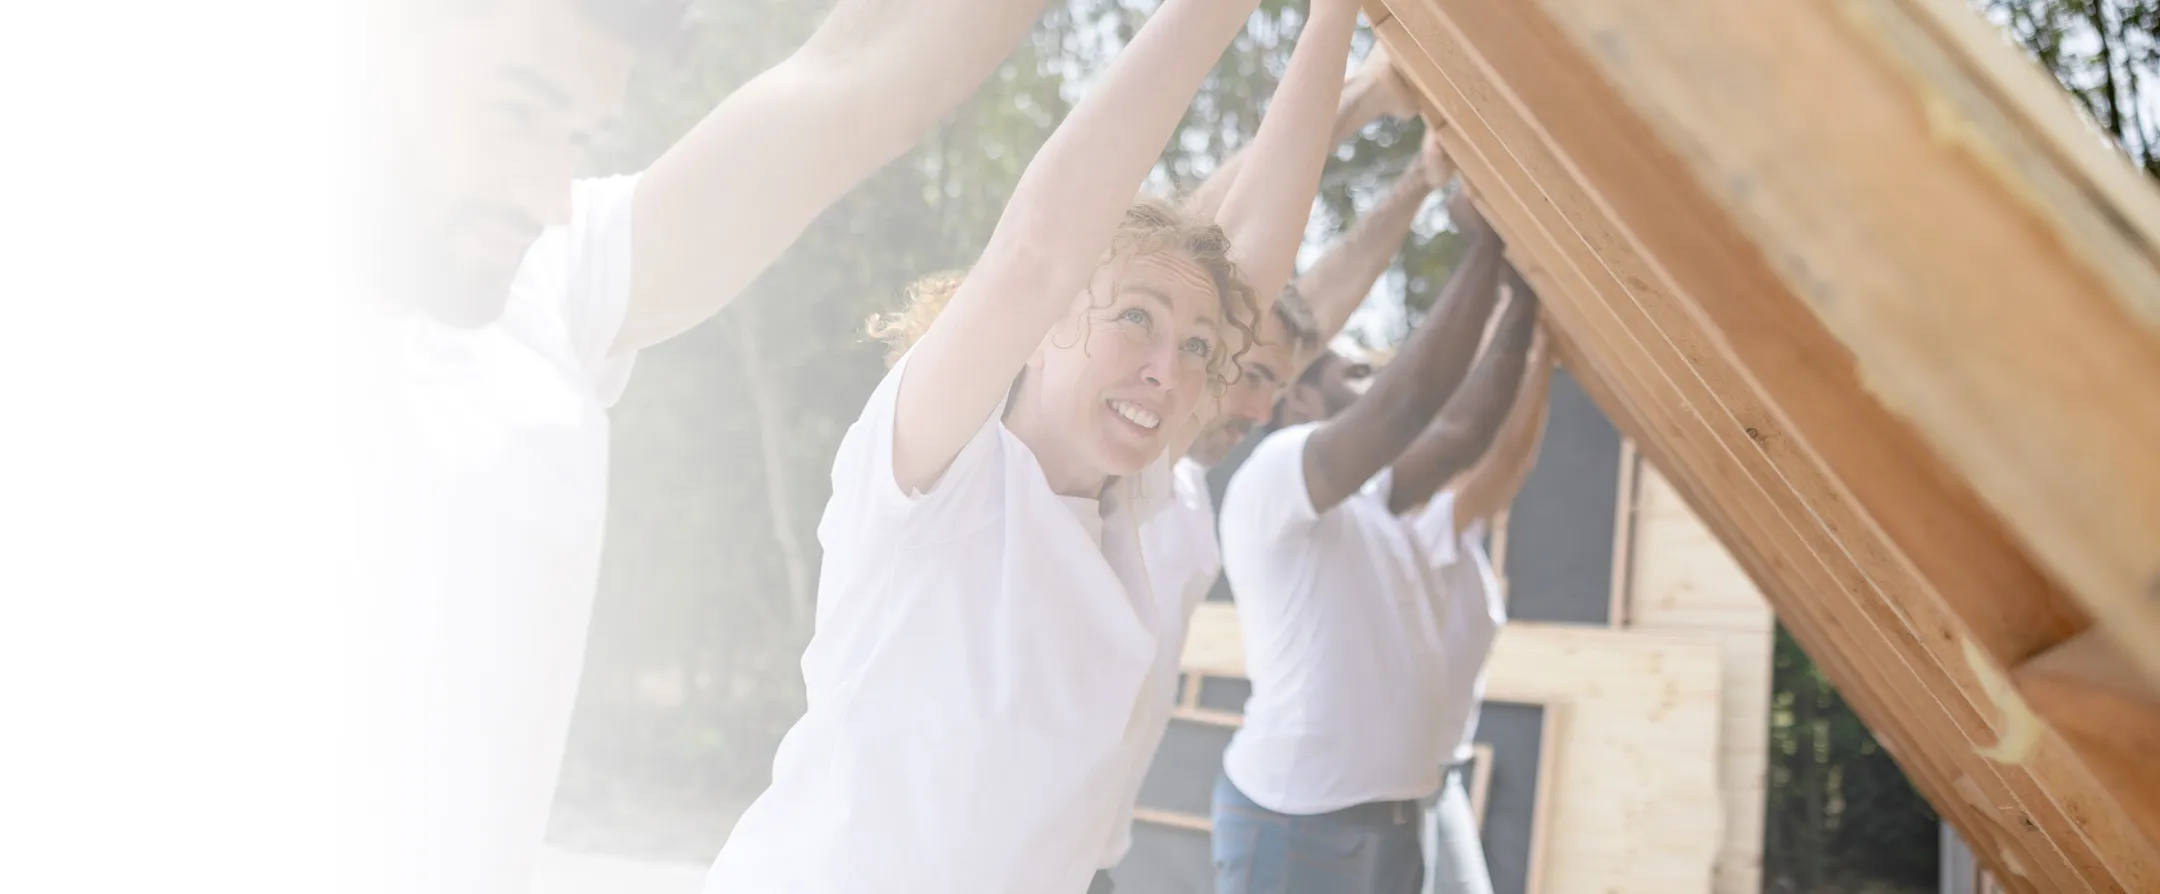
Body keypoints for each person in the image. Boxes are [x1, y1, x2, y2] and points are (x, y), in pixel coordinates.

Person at [349, 0, 1068, 891]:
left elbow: (862, 72)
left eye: (575, 138)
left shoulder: (547, 287)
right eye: (516, 112)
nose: (547, 196)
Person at [700, 0, 1273, 887]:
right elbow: (1038, 251)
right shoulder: (943, 471)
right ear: (1040, 328)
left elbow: (1256, 273)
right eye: (1133, 318)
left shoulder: (1126, 508)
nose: (1168, 366)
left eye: (1194, 346)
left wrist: (1337, 23)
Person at [1097, 112, 1458, 889]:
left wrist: (1422, 181)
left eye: (1277, 385)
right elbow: (1186, 241)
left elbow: (1307, 319)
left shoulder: (1183, 493)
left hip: (1083, 866)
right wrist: (1360, 95)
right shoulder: (1113, 467)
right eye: (1249, 375)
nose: (1263, 409)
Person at [1210, 203, 1543, 894]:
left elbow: (1459, 434)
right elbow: (1409, 407)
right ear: (1298, 400)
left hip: (1391, 819)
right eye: (1354, 374)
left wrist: (1524, 300)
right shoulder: (1275, 474)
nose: (1369, 384)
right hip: (1297, 827)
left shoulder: (1371, 500)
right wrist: (1487, 245)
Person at [1386, 265, 1555, 894]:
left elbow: (1492, 441)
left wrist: (1518, 325)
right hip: (1408, 786)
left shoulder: (1449, 530)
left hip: (1439, 779)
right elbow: (1507, 456)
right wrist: (1539, 347)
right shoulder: (1423, 529)